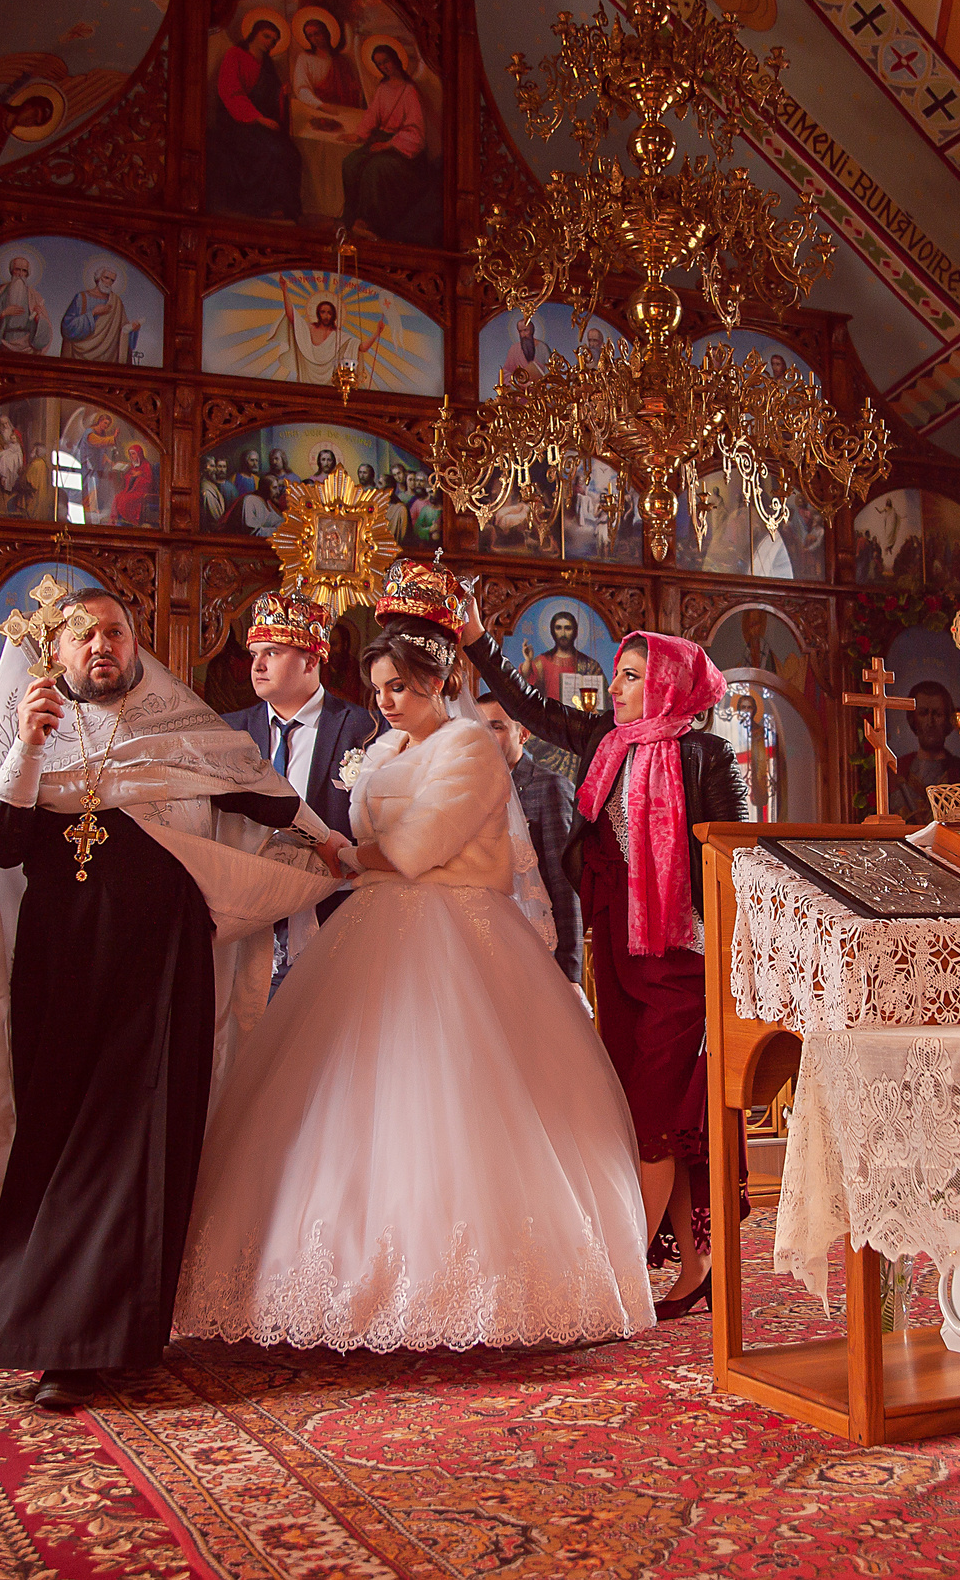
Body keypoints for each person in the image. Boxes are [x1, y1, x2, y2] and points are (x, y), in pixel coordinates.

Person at [179, 576, 654, 1351]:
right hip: (377, 923)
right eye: (378, 689)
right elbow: (377, 838)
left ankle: (474, 1292)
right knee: (350, 1098)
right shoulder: (389, 746)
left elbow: (417, 847)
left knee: (457, 1103)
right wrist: (343, 850)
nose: (387, 702)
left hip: (457, 930)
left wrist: (337, 850)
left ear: (439, 680)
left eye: (399, 687)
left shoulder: (469, 747)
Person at [0, 588, 347, 1412]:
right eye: (84, 633)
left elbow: (264, 797)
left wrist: (338, 843)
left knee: (143, 1142)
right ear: (56, 652)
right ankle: (65, 1333)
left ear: (136, 648)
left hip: (162, 970)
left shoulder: (180, 730)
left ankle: (103, 1341)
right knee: (60, 1138)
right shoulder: (31, 737)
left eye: (115, 632)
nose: (101, 644)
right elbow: (5, 846)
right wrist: (24, 744)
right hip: (62, 971)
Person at [464, 591, 750, 1316]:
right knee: (645, 1118)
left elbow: (741, 859)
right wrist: (474, 640)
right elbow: (527, 706)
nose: (613, 687)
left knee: (654, 1116)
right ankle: (698, 1261)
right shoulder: (607, 743)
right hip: (619, 954)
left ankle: (617, 1274)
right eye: (618, 675)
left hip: (682, 957)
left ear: (666, 684)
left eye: (628, 676)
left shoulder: (706, 754)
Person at [220, 590, 377, 984]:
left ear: (311, 659)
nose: (257, 665)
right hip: (246, 917)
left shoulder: (367, 730)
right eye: (255, 654)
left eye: (271, 652)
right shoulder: (228, 732)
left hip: (336, 917)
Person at [478, 696, 584, 984]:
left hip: (536, 946)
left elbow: (565, 886)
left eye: (496, 728)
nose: (485, 739)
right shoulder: (470, 792)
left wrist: (570, 974)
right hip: (484, 946)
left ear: (522, 734)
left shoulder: (550, 786)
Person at [340, 44, 433, 242]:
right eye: (379, 64)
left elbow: (416, 132)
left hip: (403, 150)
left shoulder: (409, 91)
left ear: (396, 60)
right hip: (380, 139)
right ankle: (350, 218)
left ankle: (369, 222)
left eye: (386, 62)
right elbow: (372, 116)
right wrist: (358, 135)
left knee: (375, 169)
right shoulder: (383, 88)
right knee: (350, 162)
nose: (384, 67)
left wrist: (390, 145)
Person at [211, 19, 302, 220]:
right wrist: (258, 118)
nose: (270, 42)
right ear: (254, 33)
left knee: (291, 154)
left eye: (275, 41)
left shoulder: (267, 64)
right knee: (272, 152)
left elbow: (270, 98)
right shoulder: (235, 55)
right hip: (237, 122)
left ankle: (283, 207)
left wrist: (281, 93)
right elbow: (231, 92)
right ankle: (263, 206)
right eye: (267, 36)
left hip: (262, 124)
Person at [892, 681, 960, 821]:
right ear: (913, 719)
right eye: (923, 713)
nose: (930, 722)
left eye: (938, 714)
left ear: (948, 719)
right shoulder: (897, 771)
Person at [60, 267, 137, 364]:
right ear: (98, 278)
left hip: (110, 357)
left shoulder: (116, 302)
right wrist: (93, 313)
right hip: (80, 356)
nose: (109, 282)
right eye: (106, 278)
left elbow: (123, 329)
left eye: (112, 280)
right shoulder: (82, 298)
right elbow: (67, 327)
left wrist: (133, 329)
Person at [0, 257, 51, 354]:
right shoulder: (0, 292)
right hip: (2, 344)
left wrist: (38, 318)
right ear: (12, 271)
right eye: (17, 269)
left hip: (27, 346)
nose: (20, 274)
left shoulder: (34, 296)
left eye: (24, 271)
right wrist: (3, 314)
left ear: (27, 274)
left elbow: (47, 328)